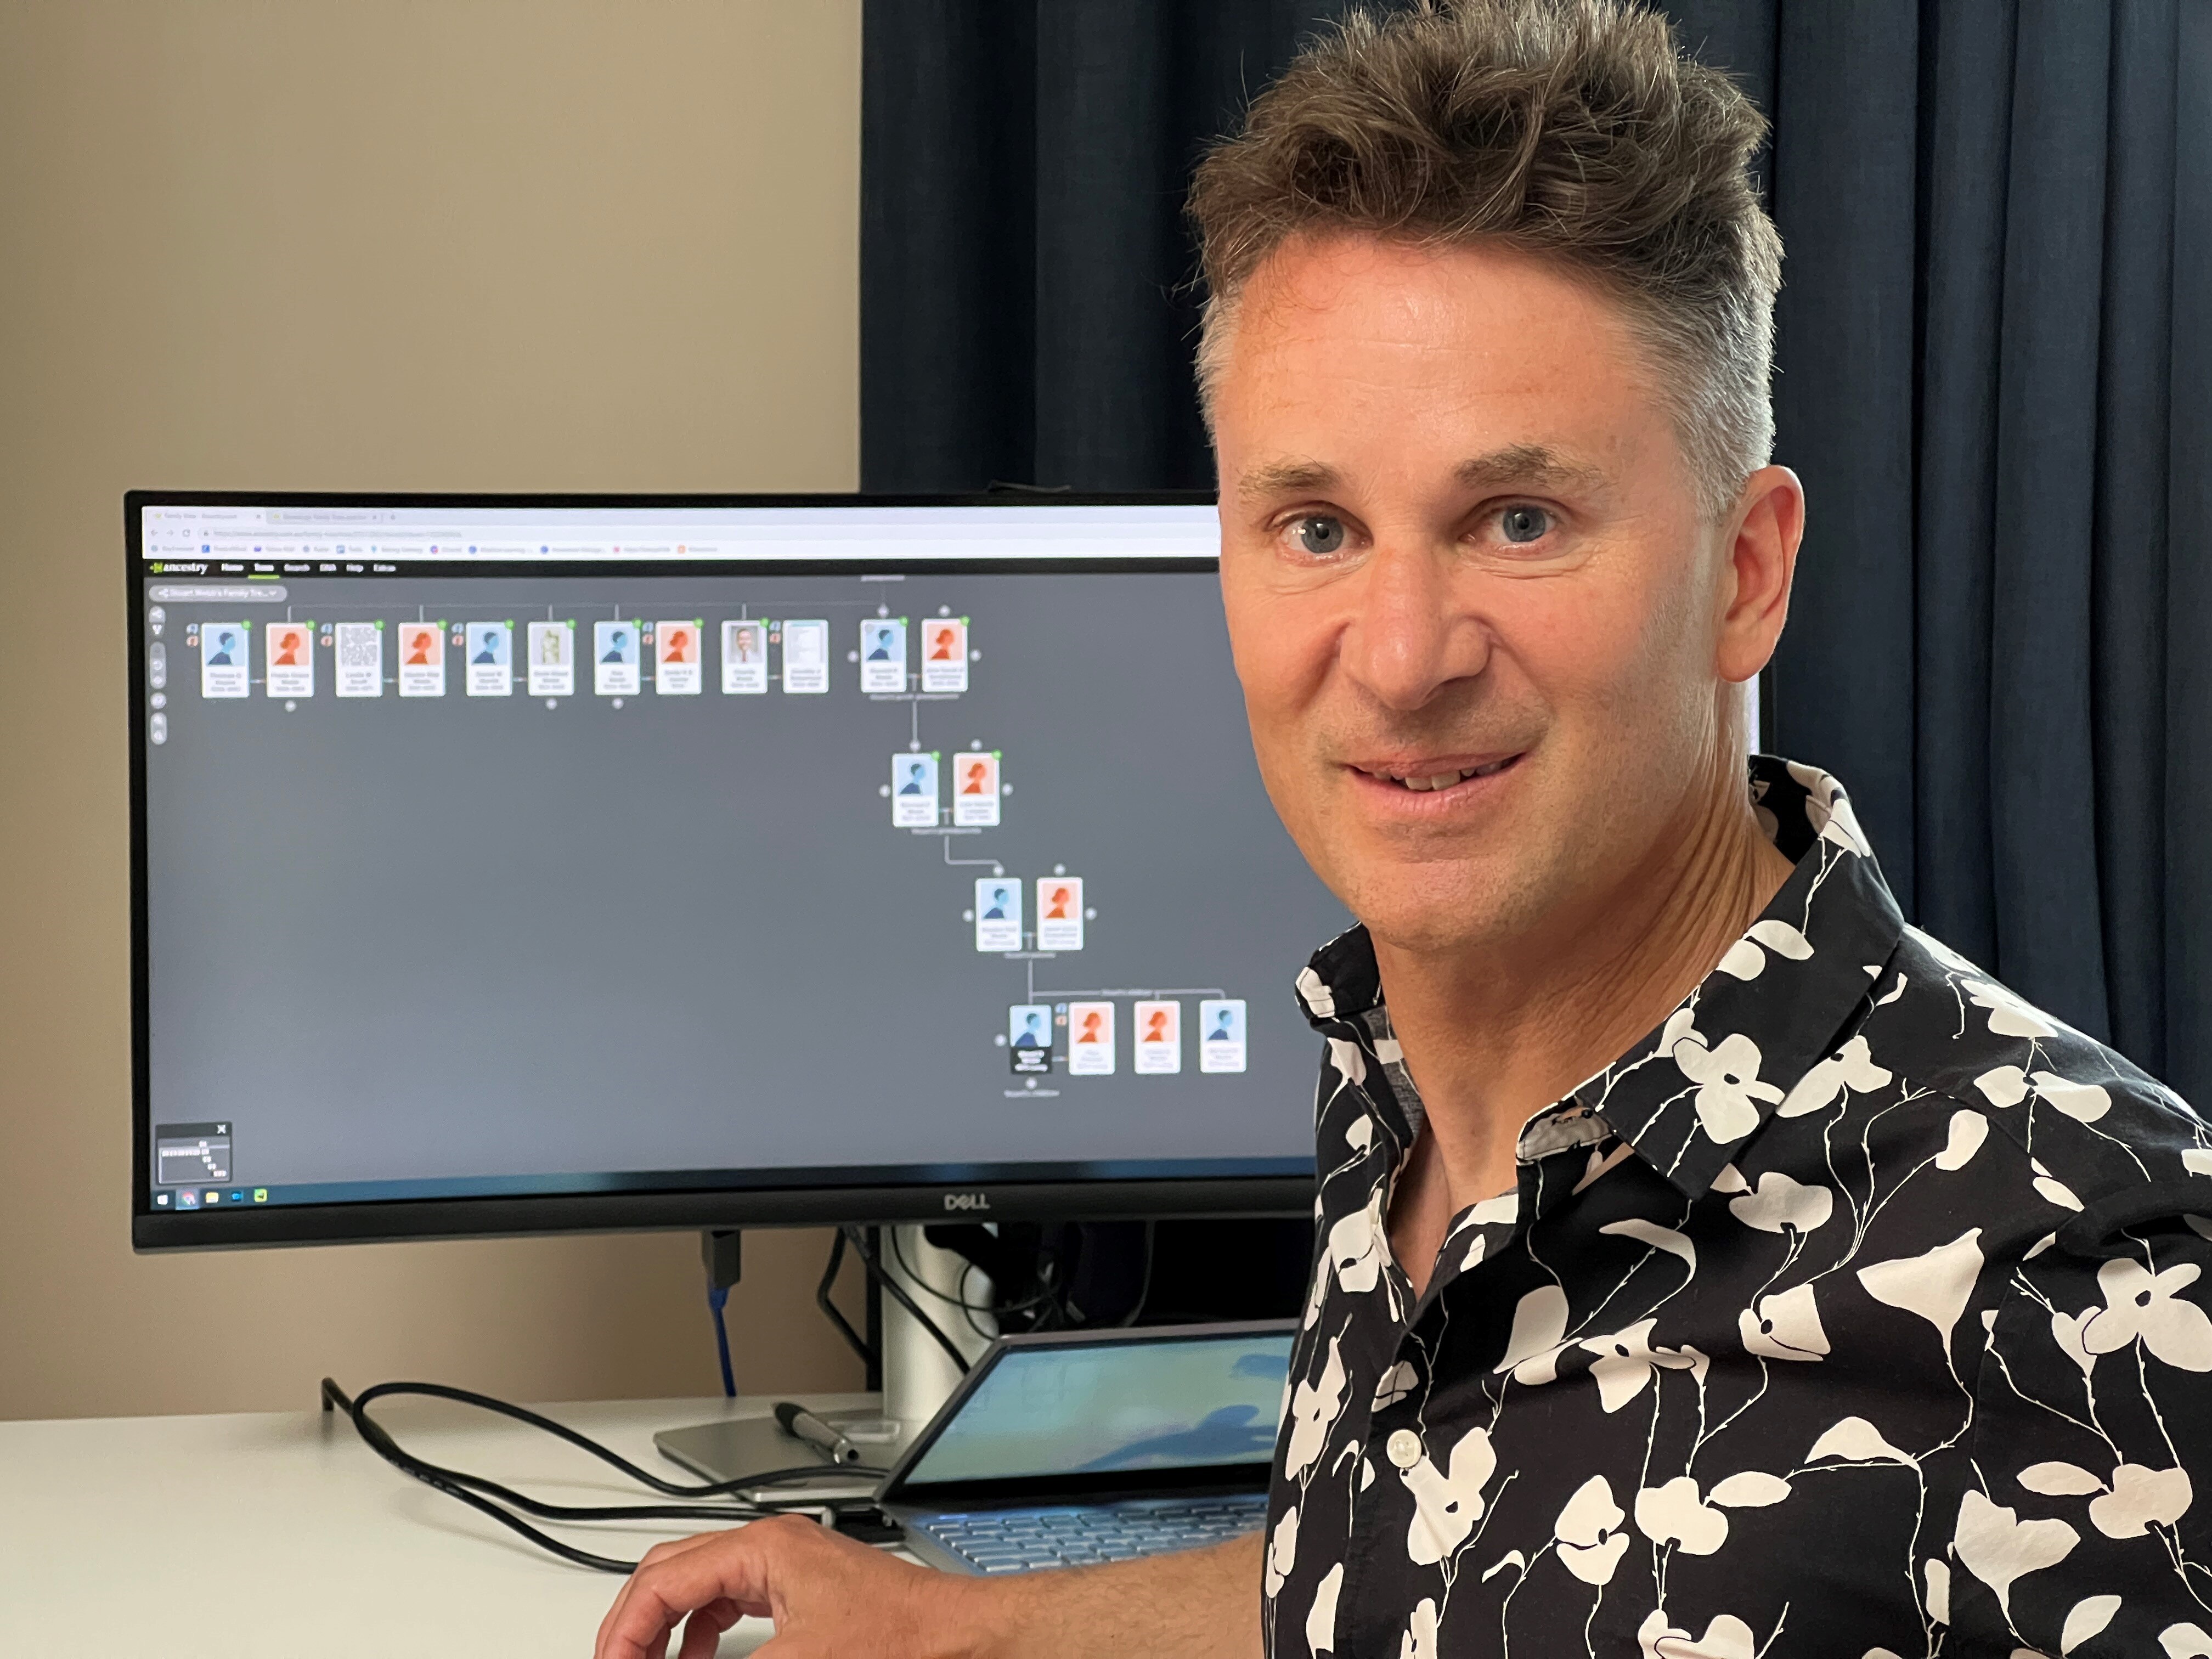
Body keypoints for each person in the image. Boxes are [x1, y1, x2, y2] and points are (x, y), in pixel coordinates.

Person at [595, 4, 2212, 1657]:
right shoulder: (1408, 1081)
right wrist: (970, 1633)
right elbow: (1461, 1568)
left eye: (1519, 519)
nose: (1399, 654)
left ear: (1747, 571)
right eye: (1316, 525)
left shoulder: (2093, 1293)